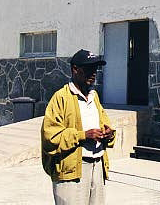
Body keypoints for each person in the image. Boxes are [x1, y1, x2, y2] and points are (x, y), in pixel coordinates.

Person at [41, 49, 116, 205]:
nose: (94, 73)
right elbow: (50, 138)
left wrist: (109, 134)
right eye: (89, 69)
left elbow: (106, 125)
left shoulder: (94, 97)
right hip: (71, 172)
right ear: (75, 69)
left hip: (97, 167)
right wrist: (83, 135)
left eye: (95, 69)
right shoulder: (61, 98)